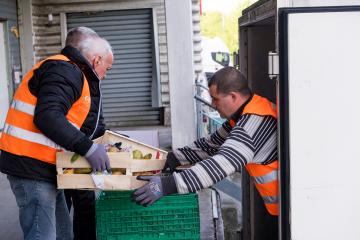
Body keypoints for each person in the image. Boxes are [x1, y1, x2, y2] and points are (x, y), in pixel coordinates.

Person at [133, 66, 279, 238]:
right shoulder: (246, 113)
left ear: (233, 96)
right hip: (279, 206)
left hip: (290, 206)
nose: (213, 105)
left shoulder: (252, 126)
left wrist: (167, 185)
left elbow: (221, 163)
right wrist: (171, 159)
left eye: (216, 99)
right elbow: (210, 145)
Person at [0, 26, 113, 240]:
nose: (105, 75)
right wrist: (87, 148)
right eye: (107, 69)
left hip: (45, 168)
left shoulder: (70, 72)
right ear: (97, 61)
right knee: (42, 235)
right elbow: (48, 116)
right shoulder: (65, 70)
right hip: (31, 168)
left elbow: (73, 120)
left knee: (62, 233)